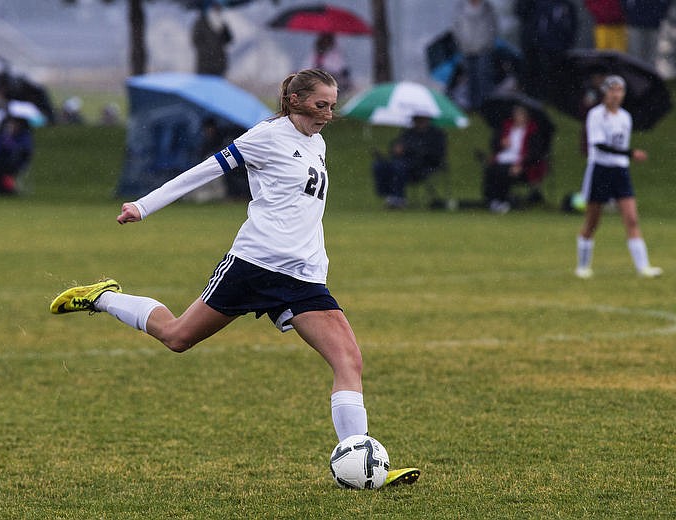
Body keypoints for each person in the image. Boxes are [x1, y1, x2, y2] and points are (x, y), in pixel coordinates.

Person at [49, 68, 420, 487]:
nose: (328, 115)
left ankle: (365, 465)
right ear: (295, 100)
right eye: (321, 105)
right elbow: (204, 172)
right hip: (254, 266)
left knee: (348, 360)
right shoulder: (265, 136)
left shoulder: (317, 142)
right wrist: (144, 206)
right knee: (177, 337)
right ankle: (102, 298)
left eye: (333, 107)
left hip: (303, 276)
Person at [575, 75, 662, 279]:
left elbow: (620, 147)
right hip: (600, 169)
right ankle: (583, 265)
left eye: (620, 91)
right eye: (612, 90)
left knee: (632, 219)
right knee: (592, 222)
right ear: (604, 93)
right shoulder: (596, 115)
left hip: (620, 171)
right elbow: (599, 145)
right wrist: (631, 153)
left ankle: (643, 267)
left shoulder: (625, 117)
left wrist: (626, 156)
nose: (616, 95)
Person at [482, 104, 549, 213]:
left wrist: (521, 165)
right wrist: (501, 144)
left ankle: (502, 200)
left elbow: (535, 153)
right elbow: (494, 145)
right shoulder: (506, 127)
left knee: (504, 172)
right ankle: (492, 200)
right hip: (503, 159)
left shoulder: (533, 131)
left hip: (523, 164)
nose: (518, 117)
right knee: (491, 169)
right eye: (516, 114)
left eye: (521, 115)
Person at [372, 114, 447, 209]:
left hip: (424, 166)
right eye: (416, 119)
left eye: (421, 119)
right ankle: (390, 195)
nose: (418, 121)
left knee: (398, 166)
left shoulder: (436, 134)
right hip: (402, 163)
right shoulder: (408, 132)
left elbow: (435, 154)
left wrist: (408, 150)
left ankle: (398, 198)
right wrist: (395, 149)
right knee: (379, 165)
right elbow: (396, 146)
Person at [515, 0, 578, 100]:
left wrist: (566, 44)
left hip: (557, 49)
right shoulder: (535, 4)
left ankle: (552, 101)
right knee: (533, 78)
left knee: (555, 78)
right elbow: (521, 12)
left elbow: (572, 26)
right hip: (534, 48)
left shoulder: (565, 5)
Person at [452, 0, 498, 111]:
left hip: (484, 49)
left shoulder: (487, 8)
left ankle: (486, 106)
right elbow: (456, 27)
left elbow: (493, 27)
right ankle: (474, 106)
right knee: (471, 79)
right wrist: (462, 43)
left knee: (484, 78)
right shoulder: (461, 8)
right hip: (467, 49)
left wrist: (488, 43)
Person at [621, 0, 671, 66]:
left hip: (654, 23)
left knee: (651, 56)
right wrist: (630, 13)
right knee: (635, 55)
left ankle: (649, 75)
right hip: (635, 22)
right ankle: (635, 75)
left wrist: (660, 13)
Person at [192, 5, 232, 76]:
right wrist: (206, 50)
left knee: (217, 83)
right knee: (204, 83)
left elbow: (229, 39)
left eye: (218, 10)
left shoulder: (222, 24)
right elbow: (196, 40)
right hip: (205, 62)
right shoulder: (201, 23)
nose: (217, 12)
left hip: (219, 61)